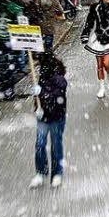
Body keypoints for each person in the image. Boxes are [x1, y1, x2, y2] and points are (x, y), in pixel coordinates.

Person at [30, 55, 67, 189]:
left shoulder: (60, 79)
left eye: (40, 65)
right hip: (43, 117)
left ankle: (57, 173)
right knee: (40, 144)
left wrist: (42, 93)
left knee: (56, 145)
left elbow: (56, 97)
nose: (38, 68)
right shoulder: (42, 76)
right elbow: (39, 97)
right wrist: (37, 105)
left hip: (57, 117)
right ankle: (40, 172)